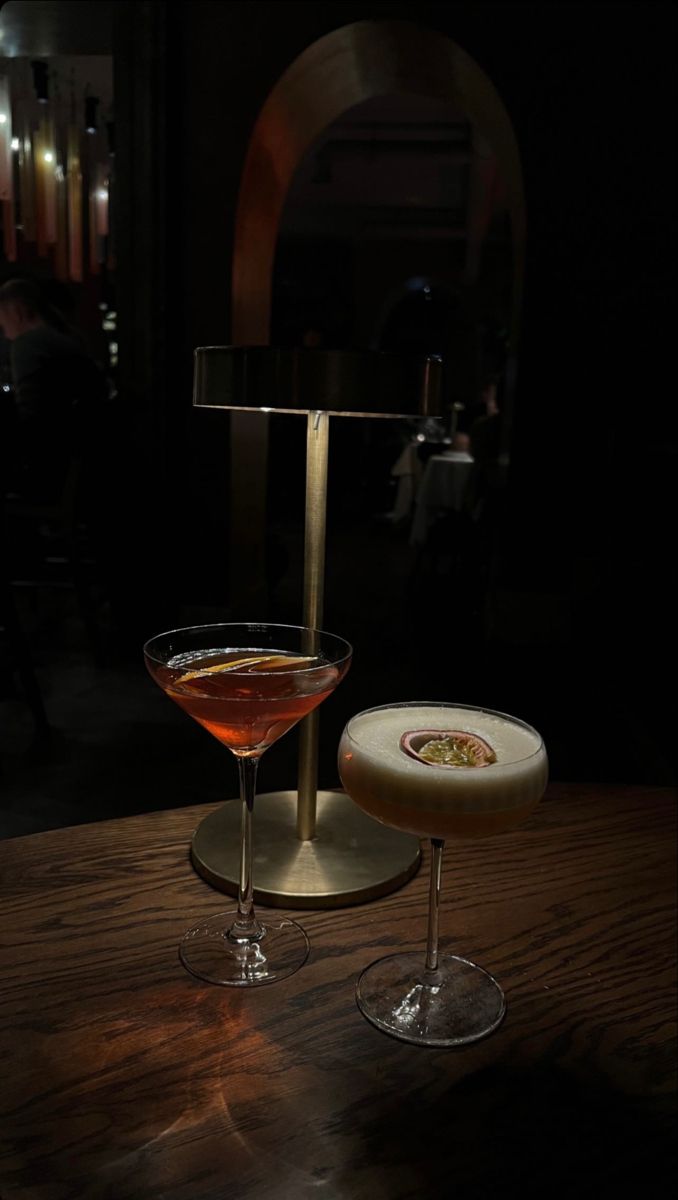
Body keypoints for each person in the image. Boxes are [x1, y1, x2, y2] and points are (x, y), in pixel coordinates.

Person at [0, 278, 108, 503]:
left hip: (48, 473)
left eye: (2, 323)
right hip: (83, 467)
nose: (5, 333)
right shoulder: (66, 338)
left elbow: (31, 420)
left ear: (17, 312)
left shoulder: (28, 344)